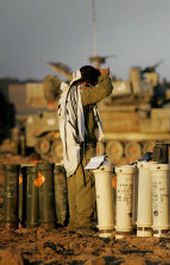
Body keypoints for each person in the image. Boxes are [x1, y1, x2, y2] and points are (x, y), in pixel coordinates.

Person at [58, 65, 113, 234]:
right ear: (89, 81)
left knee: (74, 184)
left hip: (70, 147)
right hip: (82, 145)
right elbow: (105, 90)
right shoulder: (83, 93)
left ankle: (75, 223)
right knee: (86, 184)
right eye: (94, 81)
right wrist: (104, 76)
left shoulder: (69, 94)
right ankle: (84, 224)